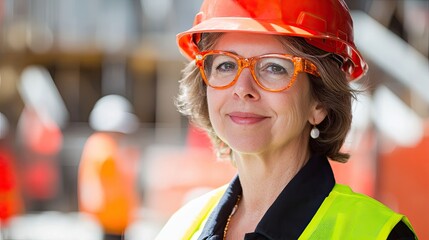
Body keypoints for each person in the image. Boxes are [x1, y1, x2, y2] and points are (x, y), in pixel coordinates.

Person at [156, 0, 417, 239]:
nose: (242, 88)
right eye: (226, 65)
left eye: (274, 67)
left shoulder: (377, 234)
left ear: (320, 101)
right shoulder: (182, 227)